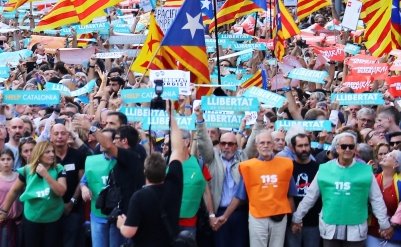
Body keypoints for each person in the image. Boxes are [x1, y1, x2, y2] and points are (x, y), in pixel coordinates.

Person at [292, 132, 394, 247]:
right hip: (330, 228)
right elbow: (310, 196)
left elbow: (376, 200)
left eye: (351, 146)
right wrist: (297, 217)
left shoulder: (366, 171)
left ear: (355, 149)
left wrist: (384, 224)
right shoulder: (324, 169)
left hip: (356, 230)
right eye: (343, 146)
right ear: (337, 148)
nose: (347, 149)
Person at [116, 103, 187, 247]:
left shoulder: (139, 197)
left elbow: (129, 232)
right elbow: (178, 148)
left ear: (145, 172)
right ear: (165, 170)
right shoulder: (174, 184)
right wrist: (171, 115)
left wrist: (121, 225)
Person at [197, 105, 264, 247]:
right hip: (218, 212)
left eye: (230, 144)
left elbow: (253, 143)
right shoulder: (212, 158)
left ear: (237, 146)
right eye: (223, 143)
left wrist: (259, 120)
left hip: (240, 213)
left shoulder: (244, 157)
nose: (226, 146)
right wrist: (200, 119)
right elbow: (203, 142)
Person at [215, 131, 294, 247]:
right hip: (258, 218)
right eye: (262, 143)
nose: (266, 146)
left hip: (280, 218)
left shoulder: (286, 164)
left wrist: (295, 219)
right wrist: (225, 216)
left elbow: (290, 194)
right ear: (256, 146)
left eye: (268, 143)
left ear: (273, 145)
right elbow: (239, 196)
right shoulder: (248, 166)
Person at [0, 140, 68, 247]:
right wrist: (4, 211)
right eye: (47, 152)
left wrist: (46, 175)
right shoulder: (27, 170)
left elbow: (61, 191)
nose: (52, 154)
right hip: (32, 218)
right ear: (39, 154)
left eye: (52, 151)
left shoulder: (59, 169)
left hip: (53, 218)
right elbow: (14, 191)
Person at [287, 134, 320, 247]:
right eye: (300, 146)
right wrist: (293, 219)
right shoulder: (288, 168)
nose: (304, 149)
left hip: (313, 222)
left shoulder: (319, 168)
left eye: (306, 145)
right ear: (293, 147)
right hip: (291, 222)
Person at [0, 148, 21, 247]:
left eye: (8, 159)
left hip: (16, 220)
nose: (6, 162)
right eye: (3, 159)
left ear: (13, 161)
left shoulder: (19, 177)